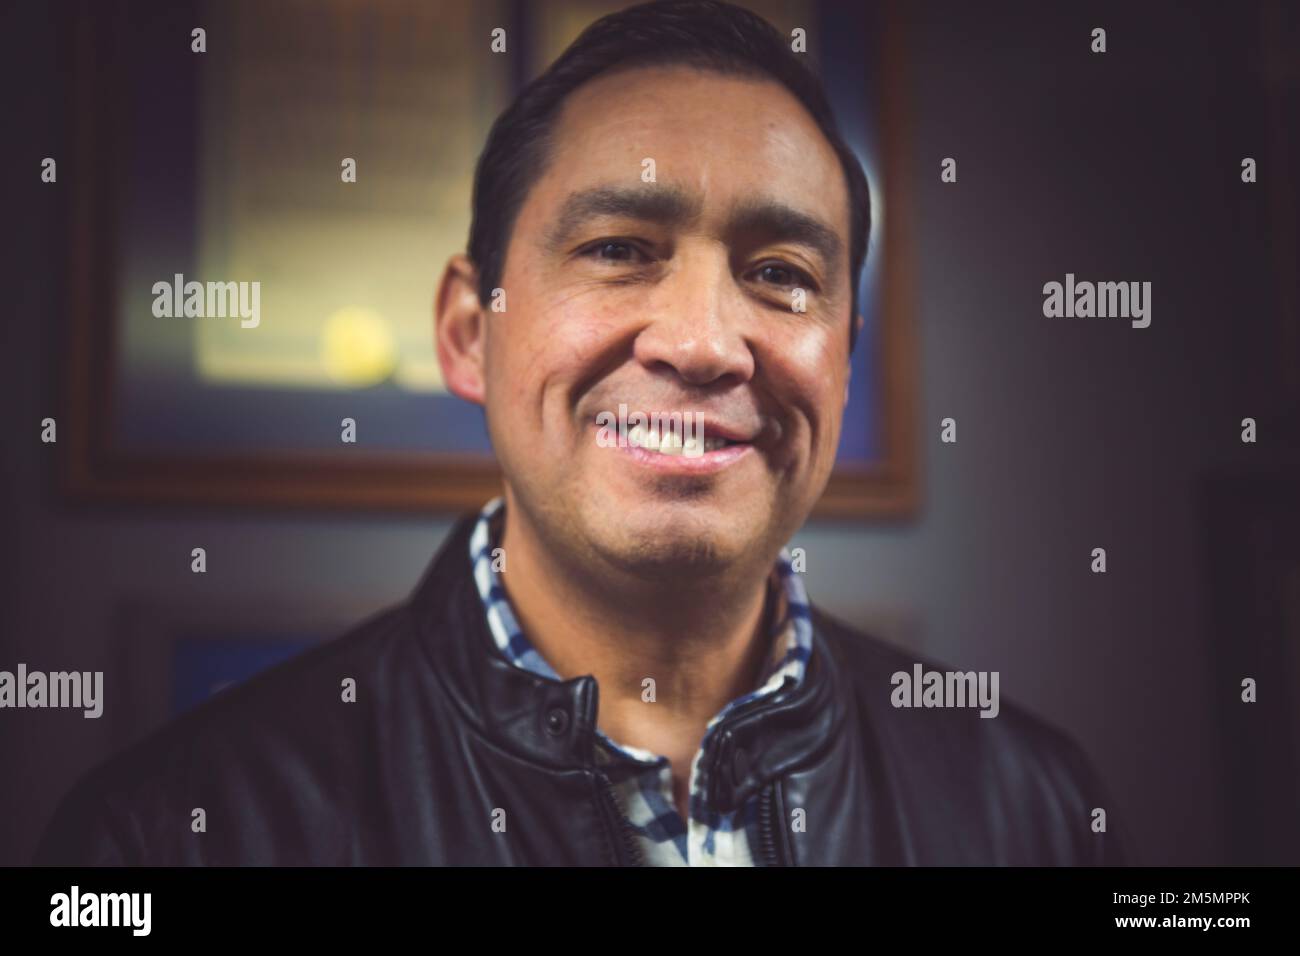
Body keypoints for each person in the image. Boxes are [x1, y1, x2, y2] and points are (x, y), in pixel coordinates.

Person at [35, 0, 1127, 866]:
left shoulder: (1030, 804)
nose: (705, 343)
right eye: (618, 248)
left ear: (840, 362)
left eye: (780, 275)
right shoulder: (172, 832)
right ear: (470, 333)